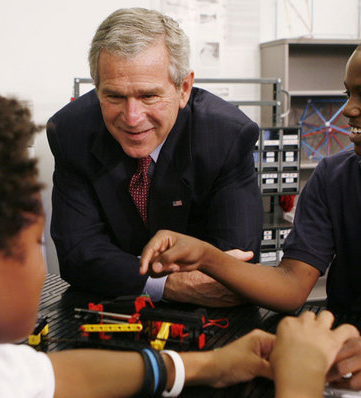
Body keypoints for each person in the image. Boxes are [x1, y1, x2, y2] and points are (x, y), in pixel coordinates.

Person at [0, 72, 361, 398]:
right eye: (35, 246)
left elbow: (57, 375)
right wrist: (300, 376)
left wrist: (208, 364)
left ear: (183, 89)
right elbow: (80, 255)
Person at [140, 24, 361, 389]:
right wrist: (206, 256)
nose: (348, 110)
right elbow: (292, 286)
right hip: (346, 341)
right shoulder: (333, 175)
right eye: (348, 94)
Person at [46, 8, 263, 306]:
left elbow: (239, 258)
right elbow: (78, 254)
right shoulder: (71, 132)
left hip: (209, 316)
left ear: (184, 88)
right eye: (114, 96)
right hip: (111, 309)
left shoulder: (226, 136)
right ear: (97, 89)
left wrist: (119, 266)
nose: (132, 118)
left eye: (148, 96)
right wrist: (169, 284)